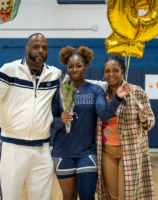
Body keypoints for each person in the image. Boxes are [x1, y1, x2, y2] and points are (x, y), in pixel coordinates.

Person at [0, 33, 63, 200]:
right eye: (36, 47)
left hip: (42, 149)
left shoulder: (55, 74)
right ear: (27, 49)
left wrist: (109, 85)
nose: (40, 50)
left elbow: (79, 83)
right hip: (12, 148)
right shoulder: (9, 70)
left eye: (44, 47)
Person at [51, 46, 129, 200]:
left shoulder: (95, 90)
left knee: (87, 196)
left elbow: (104, 114)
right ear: (66, 67)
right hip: (62, 152)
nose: (75, 70)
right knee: (69, 197)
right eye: (70, 66)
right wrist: (61, 120)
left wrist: (117, 98)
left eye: (79, 66)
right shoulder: (59, 91)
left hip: (87, 152)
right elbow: (50, 121)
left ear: (85, 66)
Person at [96, 56, 155, 200]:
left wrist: (144, 119)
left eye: (115, 70)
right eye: (107, 71)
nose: (111, 74)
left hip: (130, 151)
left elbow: (150, 120)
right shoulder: (101, 92)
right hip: (106, 151)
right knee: (111, 195)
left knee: (126, 195)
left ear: (123, 71)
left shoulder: (136, 92)